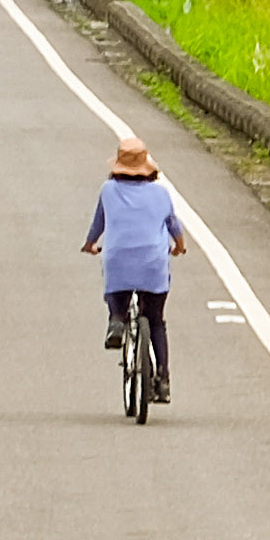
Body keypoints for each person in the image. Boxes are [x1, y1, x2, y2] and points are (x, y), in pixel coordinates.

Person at [84, 138, 181, 377]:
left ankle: (117, 318)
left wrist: (90, 244)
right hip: (153, 266)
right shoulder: (161, 193)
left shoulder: (108, 190)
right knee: (156, 321)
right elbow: (175, 228)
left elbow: (99, 224)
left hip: (118, 262)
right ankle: (163, 377)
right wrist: (179, 247)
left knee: (118, 289)